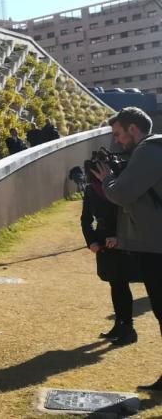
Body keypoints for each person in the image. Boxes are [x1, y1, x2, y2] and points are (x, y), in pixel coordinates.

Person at [91, 107, 162, 391]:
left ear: (134, 129)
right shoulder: (152, 150)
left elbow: (120, 193)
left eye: (118, 134)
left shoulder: (148, 150)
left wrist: (107, 178)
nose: (117, 141)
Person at [81, 157, 138, 346]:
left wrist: (119, 237)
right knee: (114, 283)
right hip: (103, 242)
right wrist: (91, 242)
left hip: (120, 242)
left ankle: (128, 327)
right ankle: (120, 324)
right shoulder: (91, 190)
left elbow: (130, 215)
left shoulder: (118, 189)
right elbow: (86, 218)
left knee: (121, 283)